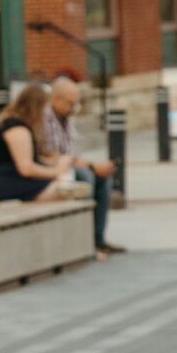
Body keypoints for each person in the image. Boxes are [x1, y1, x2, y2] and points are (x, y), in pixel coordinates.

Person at [41, 74, 122, 258]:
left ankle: (97, 239)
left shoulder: (64, 117)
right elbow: (54, 155)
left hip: (66, 166)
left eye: (76, 103)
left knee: (103, 179)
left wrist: (93, 166)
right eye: (71, 103)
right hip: (51, 170)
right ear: (56, 98)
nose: (74, 108)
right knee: (87, 177)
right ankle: (84, 242)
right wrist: (92, 166)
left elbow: (70, 154)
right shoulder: (46, 118)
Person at [0, 83, 71, 204]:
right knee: (63, 190)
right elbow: (26, 168)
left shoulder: (17, 124)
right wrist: (56, 171)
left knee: (68, 184)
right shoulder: (15, 127)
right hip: (1, 181)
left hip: (11, 178)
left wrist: (54, 162)